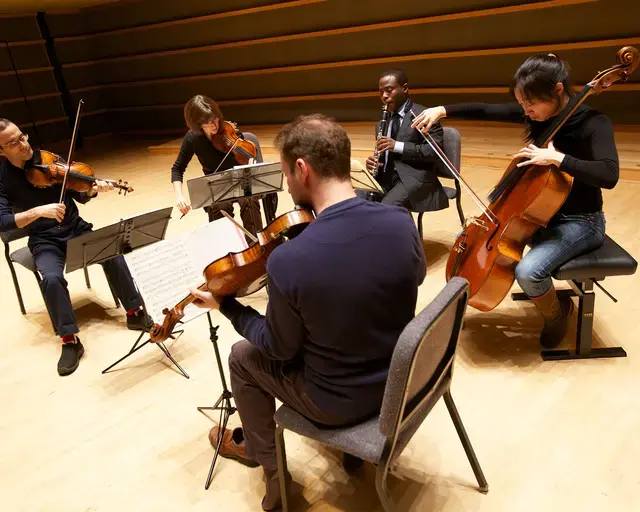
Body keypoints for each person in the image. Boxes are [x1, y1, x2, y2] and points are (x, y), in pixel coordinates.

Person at [190, 114, 426, 510]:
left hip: (337, 403)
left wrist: (227, 305)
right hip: (403, 383)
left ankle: (270, 469)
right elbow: (411, 279)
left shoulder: (289, 260)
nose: (287, 184)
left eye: (286, 174)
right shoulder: (400, 221)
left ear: (302, 169)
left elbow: (279, 349)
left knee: (242, 357)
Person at [411, 53, 619, 348]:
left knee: (528, 272)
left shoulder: (593, 123)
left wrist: (559, 159)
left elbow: (609, 174)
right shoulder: (540, 114)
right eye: (522, 104)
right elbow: (485, 109)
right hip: (540, 214)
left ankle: (558, 313)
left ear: (558, 90)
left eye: (530, 104)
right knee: (466, 239)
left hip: (581, 221)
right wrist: (441, 110)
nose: (526, 111)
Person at [0, 119, 150, 376]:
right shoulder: (2, 179)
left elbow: (78, 192)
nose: (23, 144)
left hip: (75, 228)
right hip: (44, 239)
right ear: (1, 151)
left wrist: (92, 191)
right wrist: (37, 212)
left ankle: (135, 311)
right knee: (51, 278)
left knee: (112, 252)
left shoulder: (48, 159)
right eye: (13, 143)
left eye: (22, 136)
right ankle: (70, 340)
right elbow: (2, 222)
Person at [171, 95, 276, 236]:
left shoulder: (228, 130)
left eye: (215, 120)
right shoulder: (192, 139)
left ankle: (255, 246)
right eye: (207, 123)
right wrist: (179, 196)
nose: (214, 125)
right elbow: (178, 168)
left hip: (241, 182)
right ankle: (227, 249)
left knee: (249, 199)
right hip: (217, 187)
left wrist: (251, 164)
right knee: (220, 206)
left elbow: (247, 154)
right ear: (197, 124)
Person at [364, 68, 449, 212]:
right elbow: (383, 154)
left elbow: (432, 152)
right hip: (386, 179)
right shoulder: (382, 122)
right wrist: (374, 163)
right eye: (381, 92)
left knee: (386, 208)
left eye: (389, 90)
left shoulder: (425, 116)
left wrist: (397, 146)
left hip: (415, 179)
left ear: (404, 89)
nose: (384, 96)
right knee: (355, 200)